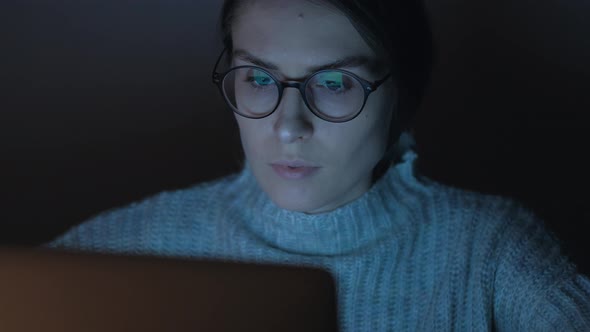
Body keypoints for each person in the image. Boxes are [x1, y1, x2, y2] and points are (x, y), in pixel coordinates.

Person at [47, 0, 590, 330]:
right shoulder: (134, 247)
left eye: (334, 84)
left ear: (402, 94)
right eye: (258, 78)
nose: (288, 126)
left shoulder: (489, 252)